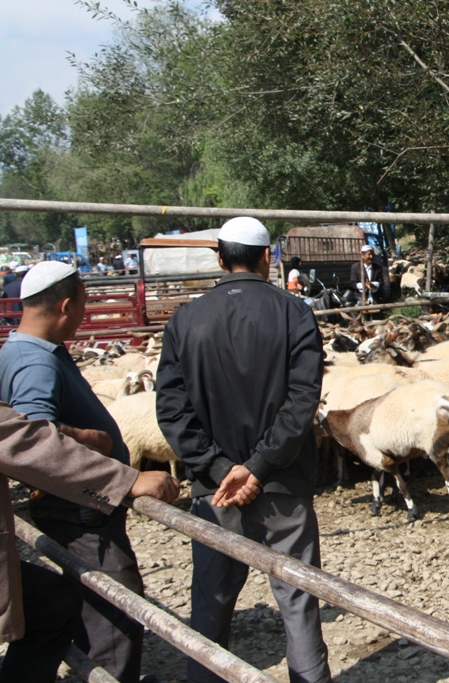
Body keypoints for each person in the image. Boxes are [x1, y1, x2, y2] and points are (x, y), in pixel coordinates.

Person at [156, 216, 330, 683]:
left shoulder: (185, 319)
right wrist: (258, 467)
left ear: (218, 257)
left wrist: (217, 467)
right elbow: (301, 401)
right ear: (267, 257)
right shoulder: (294, 313)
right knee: (298, 599)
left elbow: (172, 411)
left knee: (210, 603)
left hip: (215, 494)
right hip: (283, 485)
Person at [0, 261, 155, 683]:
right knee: (114, 611)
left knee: (66, 602)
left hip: (74, 506)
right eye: (84, 306)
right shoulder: (36, 363)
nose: (85, 315)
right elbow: (35, 435)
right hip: (82, 511)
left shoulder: (19, 350)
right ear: (65, 306)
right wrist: (96, 440)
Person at [0, 404, 179, 683]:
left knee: (53, 601)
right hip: (81, 513)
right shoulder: (34, 361)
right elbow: (23, 437)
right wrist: (121, 479)